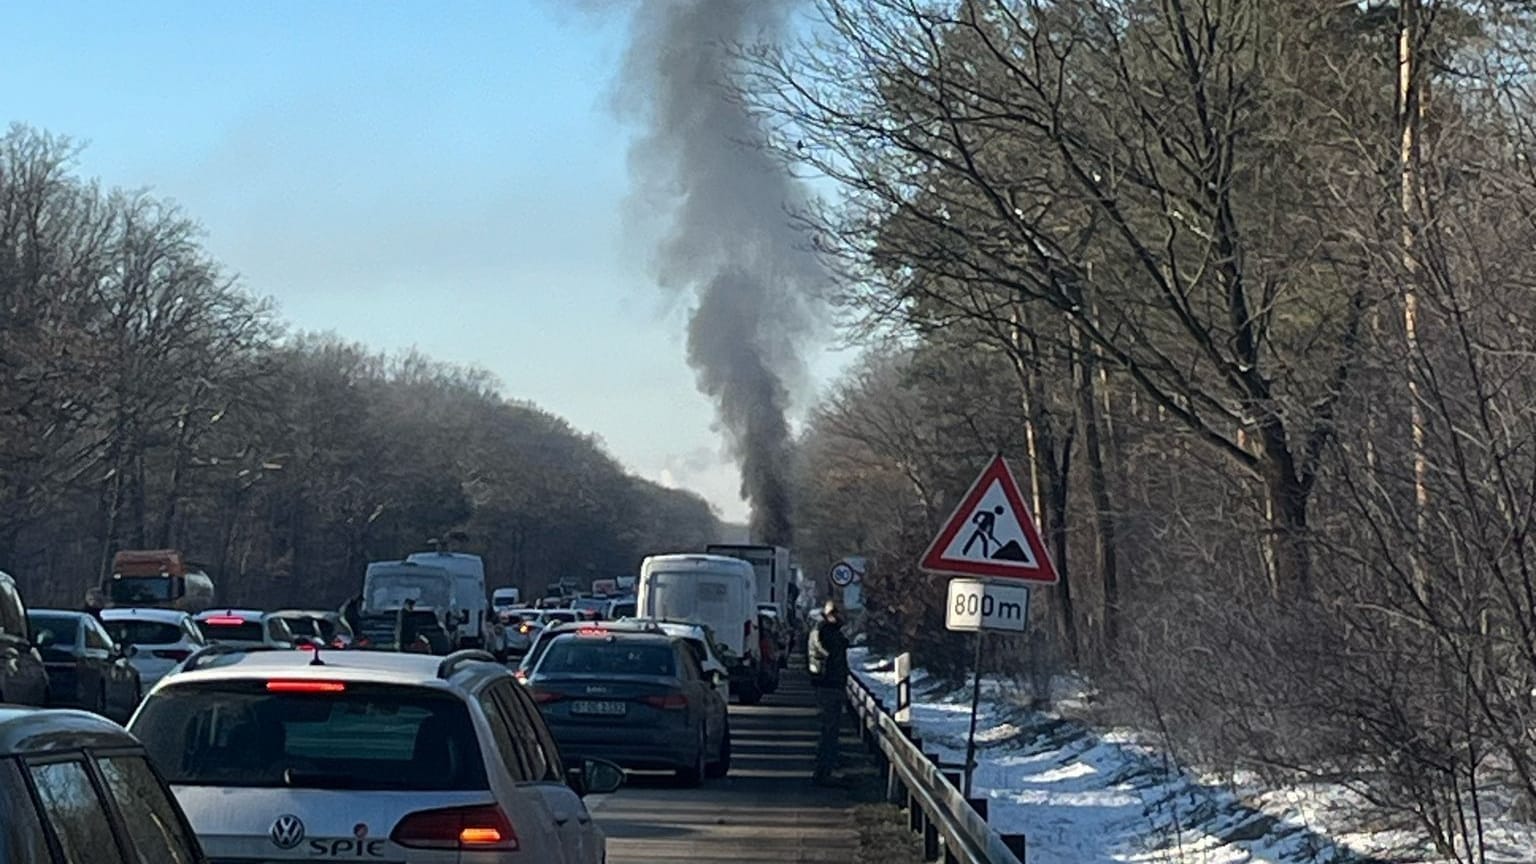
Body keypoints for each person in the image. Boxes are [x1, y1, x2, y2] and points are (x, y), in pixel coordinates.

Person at [807, 599, 850, 786]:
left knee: (830, 730)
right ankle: (823, 771)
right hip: (828, 684)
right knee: (829, 730)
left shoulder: (828, 631)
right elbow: (828, 653)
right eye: (835, 614)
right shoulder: (825, 632)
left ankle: (825, 769)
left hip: (831, 684)